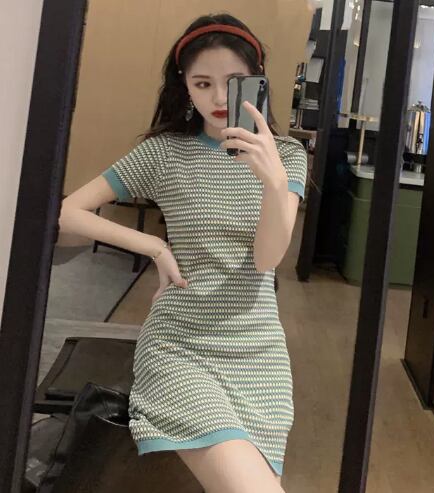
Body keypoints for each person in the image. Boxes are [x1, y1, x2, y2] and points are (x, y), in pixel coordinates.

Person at [59, 12, 307, 493]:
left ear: (256, 81)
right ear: (184, 87)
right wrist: (153, 246)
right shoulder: (164, 153)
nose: (218, 98)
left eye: (233, 82)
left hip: (259, 355)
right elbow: (67, 213)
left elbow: (267, 259)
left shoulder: (287, 156)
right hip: (180, 345)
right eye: (202, 83)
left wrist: (274, 181)